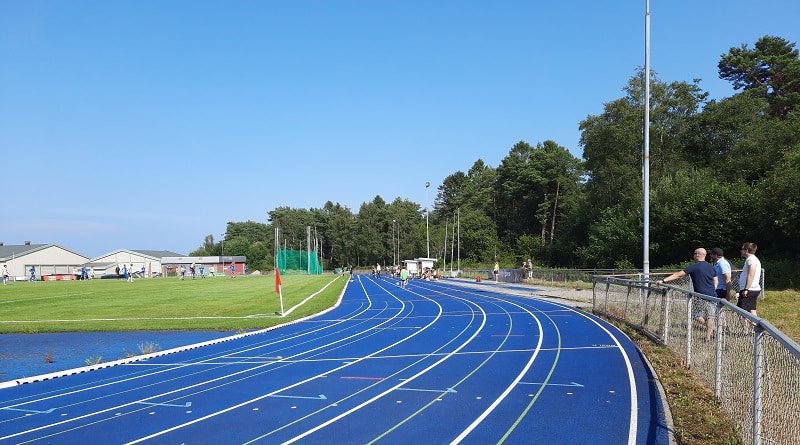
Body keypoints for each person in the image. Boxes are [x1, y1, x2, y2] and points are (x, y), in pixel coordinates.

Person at [658, 248, 718, 341]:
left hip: (700, 296)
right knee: (710, 316)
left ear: (697, 255)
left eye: (694, 254)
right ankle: (708, 336)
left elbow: (678, 275)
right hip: (713, 295)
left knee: (695, 314)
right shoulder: (711, 267)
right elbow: (715, 280)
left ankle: (712, 329)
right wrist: (713, 289)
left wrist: (663, 280)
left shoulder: (694, 266)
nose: (693, 255)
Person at [737, 242, 762, 319]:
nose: (741, 251)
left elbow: (751, 274)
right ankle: (755, 329)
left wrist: (746, 289)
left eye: (742, 249)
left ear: (747, 250)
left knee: (742, 313)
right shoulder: (752, 259)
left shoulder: (751, 260)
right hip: (753, 289)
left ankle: (746, 330)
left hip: (749, 290)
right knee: (752, 310)